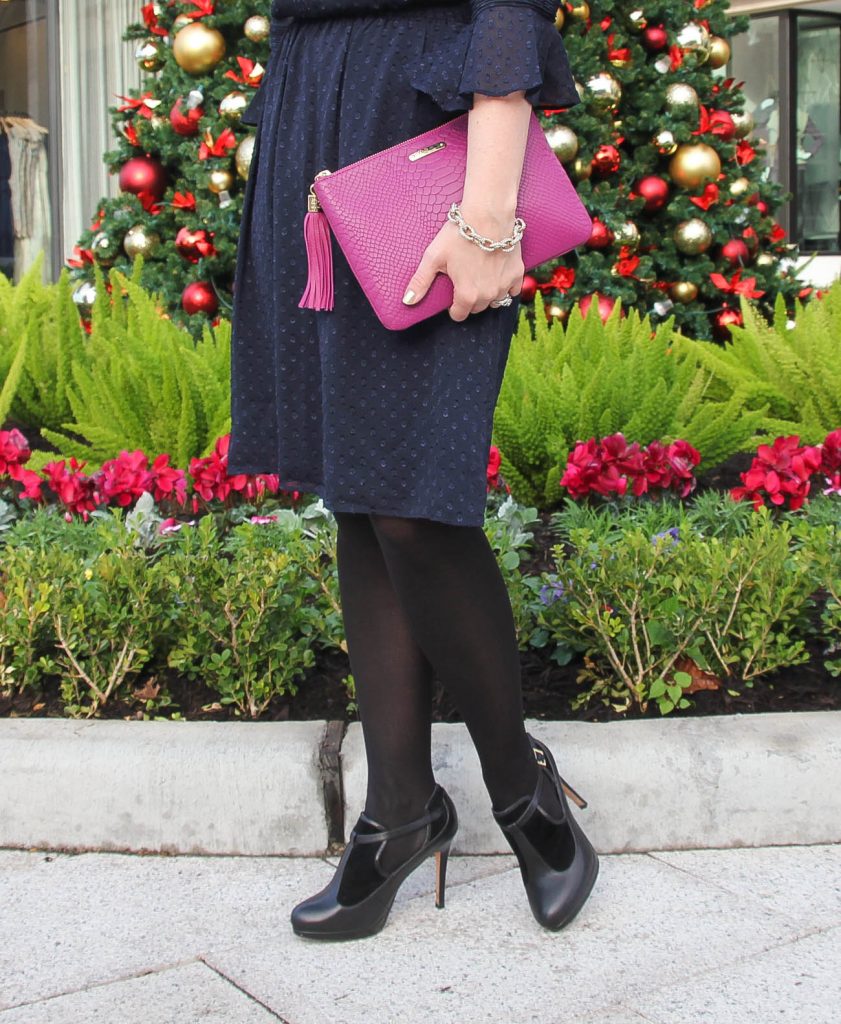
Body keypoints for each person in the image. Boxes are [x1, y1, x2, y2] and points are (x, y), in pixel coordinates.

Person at [229, 0, 599, 940]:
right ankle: (397, 811)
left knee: (410, 503)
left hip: (424, 132)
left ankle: (522, 793)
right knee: (361, 491)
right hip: (313, 117)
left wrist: (487, 212)